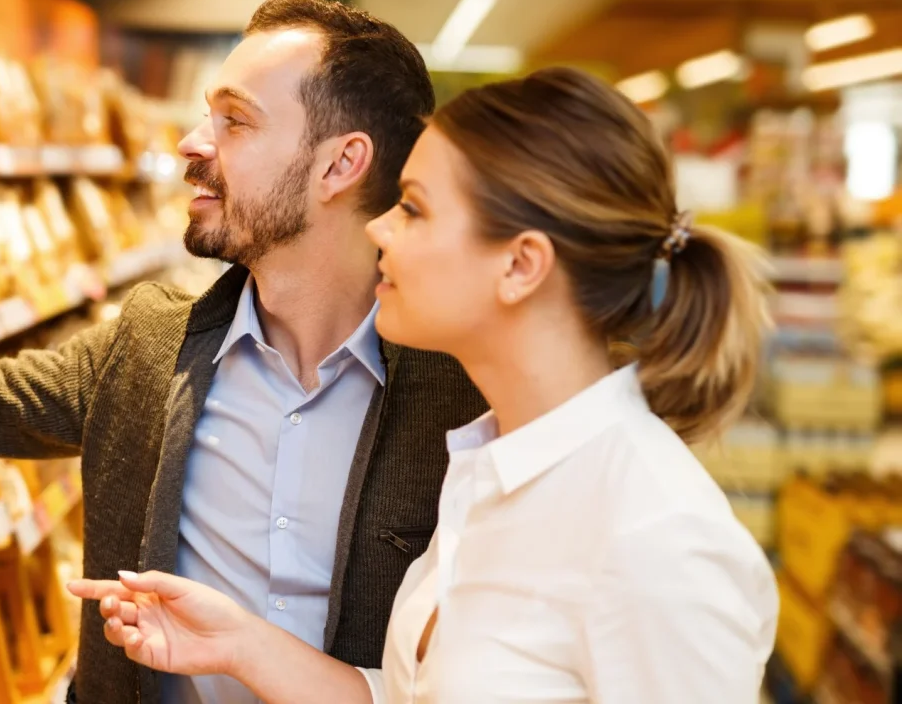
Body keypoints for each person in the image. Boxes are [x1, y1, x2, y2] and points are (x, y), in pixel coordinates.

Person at [0, 0, 486, 704]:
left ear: (340, 165)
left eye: (235, 122)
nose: (192, 143)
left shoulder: (466, 397)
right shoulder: (155, 346)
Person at [66, 67, 781, 703]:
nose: (379, 228)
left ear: (521, 266)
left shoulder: (659, 539)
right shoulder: (491, 469)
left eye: (414, 207)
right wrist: (242, 645)